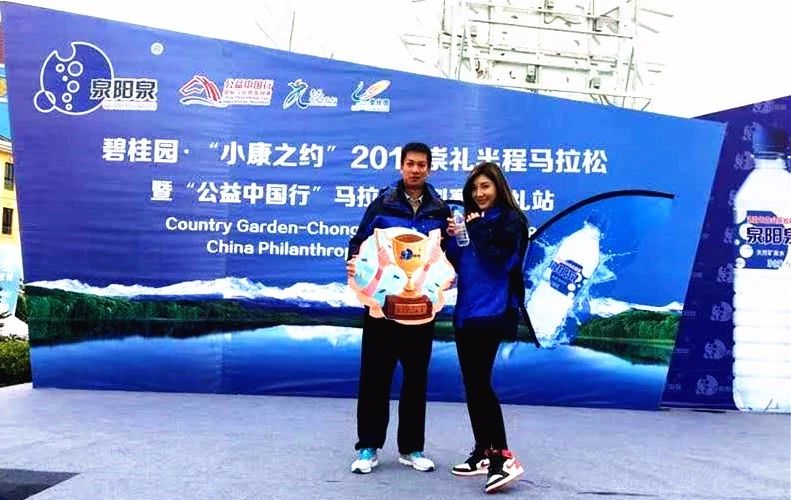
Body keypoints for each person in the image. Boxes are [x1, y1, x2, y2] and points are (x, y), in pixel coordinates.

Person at [346, 142, 452, 474]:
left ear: (429, 169)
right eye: (410, 163)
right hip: (382, 308)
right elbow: (359, 243)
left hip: (421, 310)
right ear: (401, 166)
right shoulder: (382, 204)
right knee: (374, 378)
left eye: (421, 164)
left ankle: (412, 448)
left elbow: (448, 256)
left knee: (416, 380)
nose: (415, 169)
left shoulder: (440, 211)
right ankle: (368, 446)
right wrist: (356, 265)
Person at [445, 162, 528, 493]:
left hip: (492, 312)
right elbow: (460, 260)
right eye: (475, 188)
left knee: (481, 385)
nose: (479, 193)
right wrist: (453, 238)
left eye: (485, 186)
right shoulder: (471, 222)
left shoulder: (512, 220)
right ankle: (483, 451)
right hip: (466, 313)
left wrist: (477, 228)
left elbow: (499, 260)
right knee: (472, 385)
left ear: (498, 188)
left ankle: (503, 457)